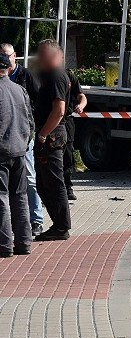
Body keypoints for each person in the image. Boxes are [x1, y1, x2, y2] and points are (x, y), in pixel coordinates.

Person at [1, 42, 43, 236]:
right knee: (17, 192)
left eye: (8, 54)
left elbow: (34, 109)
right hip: (17, 142)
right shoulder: (17, 87)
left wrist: (29, 138)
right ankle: (23, 237)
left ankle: (34, 221)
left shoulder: (26, 77)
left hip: (16, 142)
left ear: (14, 56)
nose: (6, 58)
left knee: (26, 182)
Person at [33, 40, 72, 242]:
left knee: (53, 183)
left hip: (52, 136)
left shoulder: (57, 76)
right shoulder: (53, 76)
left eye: (43, 55)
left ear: (55, 56)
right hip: (51, 134)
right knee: (43, 183)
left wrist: (42, 135)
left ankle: (61, 226)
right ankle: (58, 224)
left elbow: (59, 111)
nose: (39, 59)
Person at [0, 53, 34, 257]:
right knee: (20, 197)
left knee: (1, 197)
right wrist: (24, 141)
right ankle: (24, 243)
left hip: (1, 152)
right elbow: (30, 122)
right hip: (19, 150)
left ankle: (4, 245)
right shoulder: (19, 90)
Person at [63, 70, 86, 201]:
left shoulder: (69, 76)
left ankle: (68, 187)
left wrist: (81, 105)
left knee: (68, 155)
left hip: (67, 120)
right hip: (49, 121)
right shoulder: (43, 75)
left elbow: (81, 96)